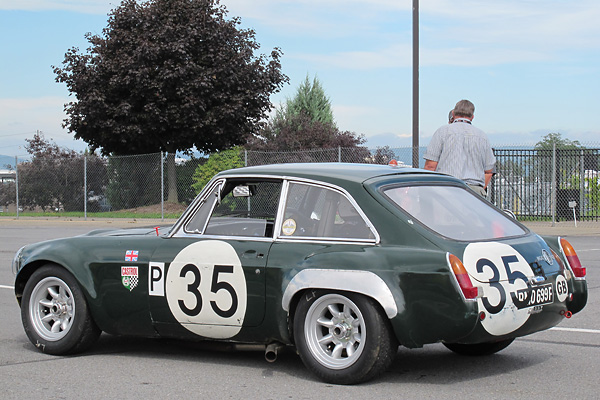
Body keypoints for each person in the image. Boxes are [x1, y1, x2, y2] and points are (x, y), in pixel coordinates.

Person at [423, 100, 495, 197]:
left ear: (453, 113)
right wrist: (479, 189)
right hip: (474, 192)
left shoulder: (442, 132)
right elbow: (488, 171)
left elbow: (430, 166)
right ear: (472, 117)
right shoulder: (482, 136)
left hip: (447, 189)